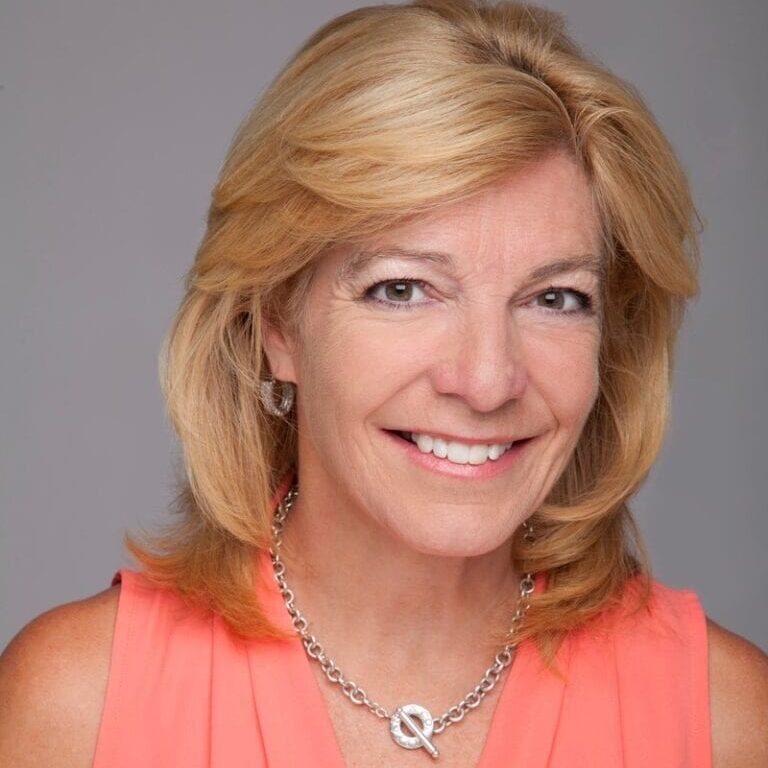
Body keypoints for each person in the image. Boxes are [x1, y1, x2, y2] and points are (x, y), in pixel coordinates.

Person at [1, 0, 766, 765]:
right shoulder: (77, 705)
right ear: (277, 324)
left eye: (554, 298)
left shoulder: (728, 716)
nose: (488, 379)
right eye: (402, 289)